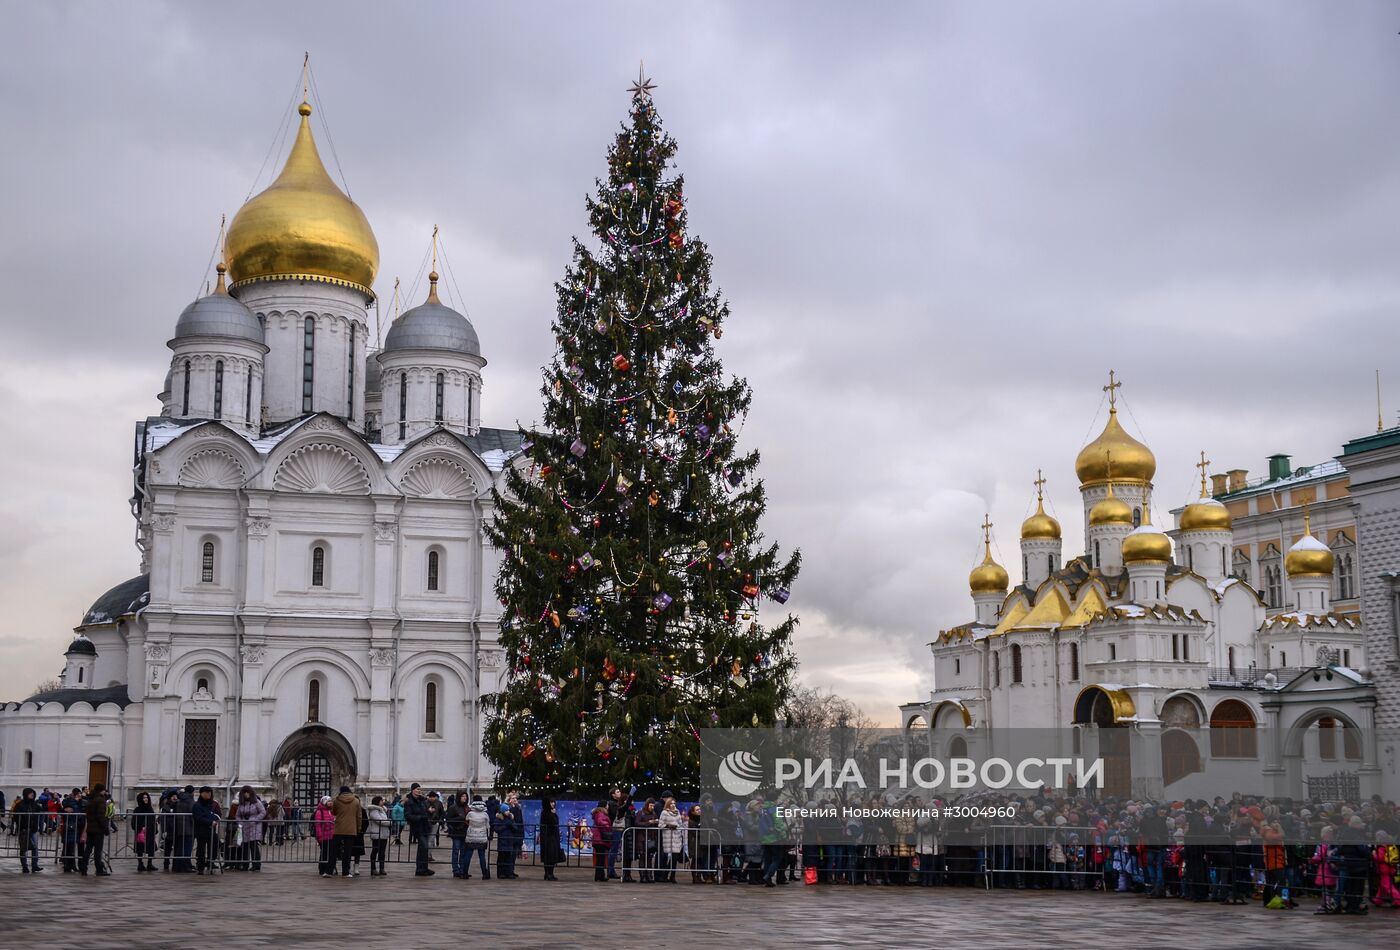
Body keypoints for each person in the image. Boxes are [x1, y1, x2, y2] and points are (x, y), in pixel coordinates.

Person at [78, 784, 111, 876]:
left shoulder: (91, 799)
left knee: (88, 849)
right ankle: (99, 869)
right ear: (101, 790)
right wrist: (105, 828)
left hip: (90, 828)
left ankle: (83, 868)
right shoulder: (100, 800)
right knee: (97, 851)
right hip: (98, 829)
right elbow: (101, 816)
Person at [331, 786, 363, 877]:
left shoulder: (337, 800)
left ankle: (329, 870)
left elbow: (333, 812)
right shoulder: (356, 801)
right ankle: (346, 872)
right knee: (347, 852)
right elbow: (359, 816)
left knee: (334, 850)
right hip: (351, 829)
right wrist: (358, 828)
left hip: (338, 829)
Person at [404, 783, 434, 876]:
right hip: (417, 827)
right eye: (417, 789)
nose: (419, 791)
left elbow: (425, 810)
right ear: (412, 790)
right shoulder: (409, 801)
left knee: (423, 848)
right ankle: (421, 869)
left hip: (425, 826)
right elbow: (408, 815)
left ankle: (422, 868)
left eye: (420, 789)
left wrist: (429, 812)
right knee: (424, 846)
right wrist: (420, 817)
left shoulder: (422, 800)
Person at [234, 786, 267, 871]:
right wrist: (240, 822)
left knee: (253, 845)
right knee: (244, 846)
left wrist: (256, 820)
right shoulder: (241, 804)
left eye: (247, 792)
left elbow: (263, 812)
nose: (246, 794)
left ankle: (256, 865)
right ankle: (245, 864)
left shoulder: (256, 802)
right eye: (244, 792)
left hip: (254, 827)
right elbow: (237, 815)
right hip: (244, 826)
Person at [191, 786, 220, 875]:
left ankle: (210, 862)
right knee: (201, 850)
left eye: (210, 793)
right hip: (201, 831)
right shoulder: (197, 805)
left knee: (214, 847)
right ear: (202, 793)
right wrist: (210, 821)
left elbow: (215, 815)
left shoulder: (211, 804)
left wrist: (211, 819)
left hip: (211, 831)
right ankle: (200, 867)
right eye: (207, 793)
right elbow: (198, 818)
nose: (209, 794)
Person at [15, 787, 45, 872]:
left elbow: (43, 809)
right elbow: (16, 816)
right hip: (23, 829)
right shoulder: (20, 804)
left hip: (33, 829)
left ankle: (35, 865)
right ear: (26, 794)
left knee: (35, 847)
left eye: (33, 793)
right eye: (30, 793)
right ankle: (24, 866)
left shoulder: (35, 804)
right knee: (23, 847)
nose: (32, 795)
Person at [464, 795, 491, 879]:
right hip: (482, 837)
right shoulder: (485, 814)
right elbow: (488, 826)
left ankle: (464, 873)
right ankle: (484, 874)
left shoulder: (470, 813)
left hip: (471, 836)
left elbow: (466, 820)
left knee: (468, 855)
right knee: (482, 856)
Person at [493, 800, 522, 879]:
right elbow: (497, 829)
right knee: (501, 858)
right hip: (502, 841)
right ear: (502, 811)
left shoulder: (510, 818)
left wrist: (512, 825)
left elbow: (515, 828)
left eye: (508, 810)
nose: (508, 812)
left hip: (510, 841)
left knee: (509, 858)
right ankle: (500, 873)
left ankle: (508, 873)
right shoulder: (499, 819)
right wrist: (505, 825)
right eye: (506, 810)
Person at [445, 791, 471, 879]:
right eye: (463, 796)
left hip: (465, 832)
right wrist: (459, 819)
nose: (465, 798)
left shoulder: (467, 808)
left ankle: (462, 869)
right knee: (456, 851)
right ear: (459, 797)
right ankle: (455, 869)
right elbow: (448, 820)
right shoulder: (453, 807)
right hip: (456, 832)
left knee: (463, 852)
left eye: (465, 796)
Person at [658, 797, 683, 883]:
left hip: (676, 837)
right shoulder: (664, 812)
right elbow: (660, 825)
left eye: (674, 803)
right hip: (668, 836)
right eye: (671, 803)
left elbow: (680, 824)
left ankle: (672, 875)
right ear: (668, 804)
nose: (673, 805)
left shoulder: (678, 812)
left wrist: (677, 828)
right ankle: (665, 875)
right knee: (670, 858)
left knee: (675, 858)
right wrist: (668, 826)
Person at [132, 791, 158, 872]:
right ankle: (140, 863)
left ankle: (149, 863)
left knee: (151, 848)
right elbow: (134, 822)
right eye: (144, 798)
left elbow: (153, 820)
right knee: (140, 848)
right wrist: (139, 828)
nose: (146, 799)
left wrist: (155, 829)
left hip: (150, 832)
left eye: (147, 797)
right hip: (141, 832)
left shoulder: (150, 808)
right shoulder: (137, 809)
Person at [366, 795, 391, 876]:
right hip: (377, 833)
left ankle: (381, 868)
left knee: (382, 852)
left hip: (383, 833)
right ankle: (373, 868)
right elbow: (380, 821)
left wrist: (387, 821)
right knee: (375, 850)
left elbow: (384, 820)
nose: (383, 802)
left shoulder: (382, 810)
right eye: (381, 800)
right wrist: (390, 822)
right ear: (377, 802)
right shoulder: (373, 810)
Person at [60, 789, 84, 873]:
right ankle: (70, 865)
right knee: (69, 848)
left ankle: (71, 865)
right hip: (71, 827)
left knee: (70, 847)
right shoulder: (71, 803)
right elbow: (77, 813)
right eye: (79, 795)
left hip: (74, 827)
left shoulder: (76, 803)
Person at [539, 797, 563, 881]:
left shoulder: (550, 812)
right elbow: (552, 822)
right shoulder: (546, 812)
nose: (553, 804)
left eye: (554, 802)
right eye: (551, 802)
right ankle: (548, 873)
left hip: (552, 837)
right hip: (548, 837)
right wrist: (553, 814)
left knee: (551, 856)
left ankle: (549, 873)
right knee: (549, 856)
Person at [313, 795, 336, 877]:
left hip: (332, 835)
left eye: (331, 801)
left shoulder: (332, 811)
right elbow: (318, 824)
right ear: (324, 802)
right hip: (324, 836)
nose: (330, 803)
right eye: (329, 801)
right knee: (324, 853)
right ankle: (322, 869)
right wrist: (319, 836)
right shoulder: (320, 812)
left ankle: (329, 868)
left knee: (331, 853)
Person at [591, 801, 613, 882]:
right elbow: (601, 822)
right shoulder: (601, 813)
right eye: (607, 805)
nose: (608, 806)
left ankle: (599, 875)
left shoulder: (598, 813)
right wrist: (608, 827)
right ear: (604, 806)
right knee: (601, 858)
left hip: (597, 839)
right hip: (600, 839)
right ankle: (600, 876)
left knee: (600, 858)